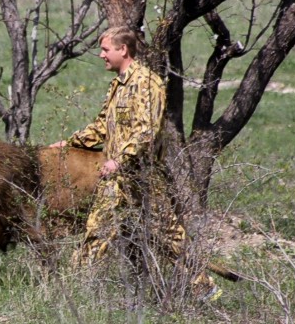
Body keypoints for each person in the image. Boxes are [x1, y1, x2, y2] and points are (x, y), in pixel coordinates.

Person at [50, 26, 221, 302]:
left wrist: (120, 159)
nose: (101, 55)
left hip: (144, 178)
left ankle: (204, 287)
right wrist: (70, 143)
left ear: (123, 50)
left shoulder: (148, 82)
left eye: (105, 49)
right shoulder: (118, 84)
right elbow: (101, 126)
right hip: (118, 181)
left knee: (169, 236)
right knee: (97, 230)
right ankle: (72, 293)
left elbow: (148, 131)